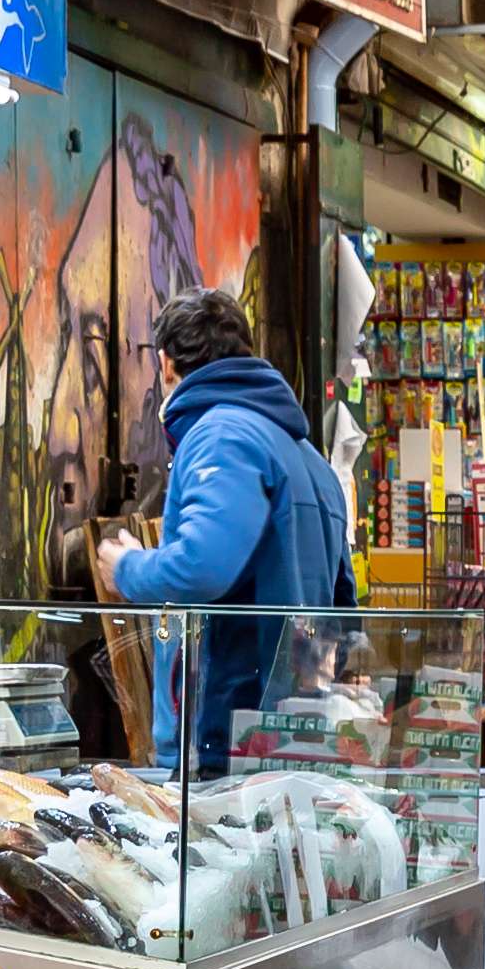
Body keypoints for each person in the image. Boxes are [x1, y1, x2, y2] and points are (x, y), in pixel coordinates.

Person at [94, 287, 352, 755]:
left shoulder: (220, 435)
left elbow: (201, 567)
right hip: (295, 734)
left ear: (167, 365)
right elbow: (343, 609)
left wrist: (128, 568)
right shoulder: (311, 461)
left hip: (228, 744)